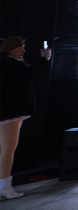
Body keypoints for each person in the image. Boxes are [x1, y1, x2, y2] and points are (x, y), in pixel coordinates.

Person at [0, 36, 52, 199]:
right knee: (9, 148)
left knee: (5, 148)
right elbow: (31, 75)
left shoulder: (8, 63)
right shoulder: (10, 65)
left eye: (23, 46)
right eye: (19, 47)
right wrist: (44, 59)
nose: (23, 49)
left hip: (7, 110)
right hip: (10, 111)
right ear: (9, 49)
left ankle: (4, 185)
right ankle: (4, 187)